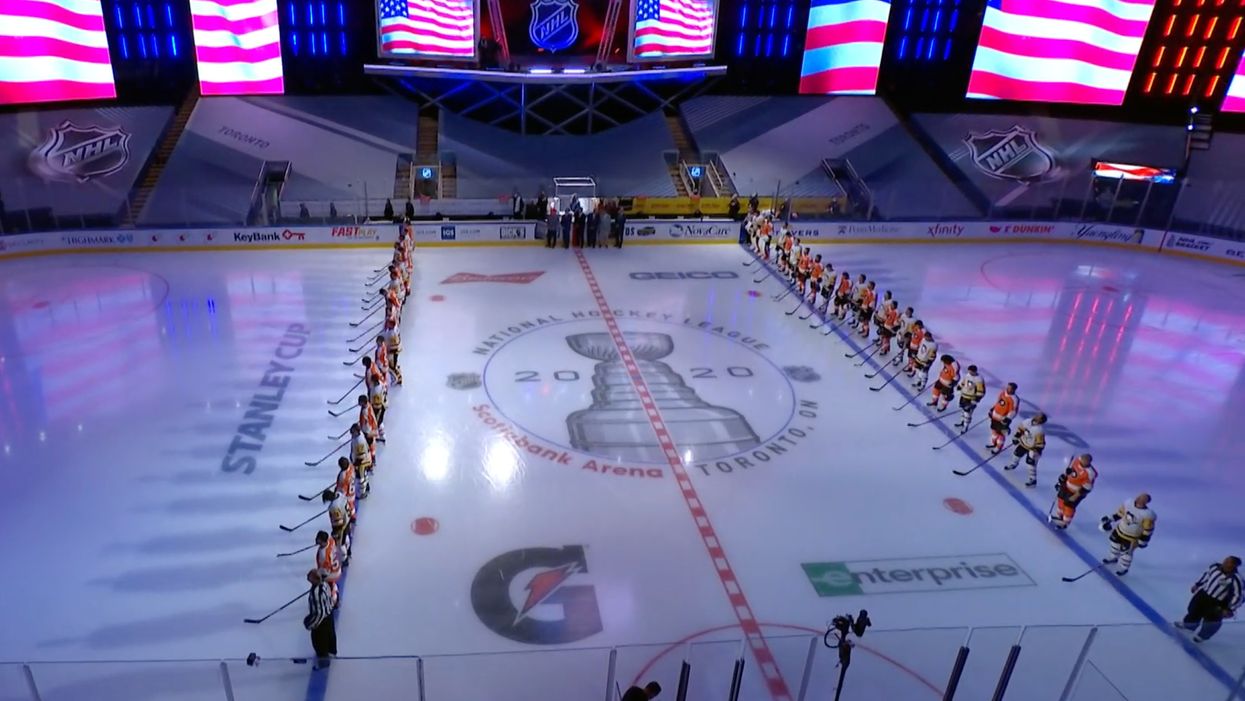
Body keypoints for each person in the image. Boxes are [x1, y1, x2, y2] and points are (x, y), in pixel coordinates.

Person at [1179, 557, 1243, 642]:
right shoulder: (1214, 567)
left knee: (1212, 620)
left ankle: (1203, 635)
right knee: (1193, 610)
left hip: (1218, 602)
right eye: (1225, 560)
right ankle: (1189, 625)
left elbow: (1238, 596)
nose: (1224, 562)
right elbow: (1206, 575)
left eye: (1228, 562)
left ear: (1234, 565)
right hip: (1203, 594)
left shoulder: (1236, 579)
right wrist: (1197, 585)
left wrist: (1229, 608)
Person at [1101, 493, 1156, 576]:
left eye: (1142, 498)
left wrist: (1143, 540)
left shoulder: (1147, 515)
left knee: (1126, 553)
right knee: (1114, 544)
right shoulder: (1128, 503)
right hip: (1119, 530)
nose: (1138, 498)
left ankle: (1124, 567)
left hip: (1131, 537)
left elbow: (1148, 529)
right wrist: (1110, 519)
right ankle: (1113, 556)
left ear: (1145, 502)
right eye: (1139, 496)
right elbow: (1120, 513)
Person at [1051, 453, 1096, 528]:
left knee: (1069, 506)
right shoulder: (1077, 461)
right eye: (1082, 458)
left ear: (1088, 462)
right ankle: (1060, 516)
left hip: (1075, 491)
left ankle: (1065, 522)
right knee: (1061, 499)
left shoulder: (1090, 473)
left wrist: (1075, 496)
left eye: (1085, 460)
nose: (1082, 460)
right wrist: (1063, 478)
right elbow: (1070, 470)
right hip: (1067, 486)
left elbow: (1087, 488)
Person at [305, 569, 337, 669]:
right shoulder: (325, 584)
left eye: (309, 578)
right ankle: (332, 651)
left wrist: (311, 623)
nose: (307, 579)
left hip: (321, 621)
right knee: (330, 635)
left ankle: (323, 663)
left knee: (319, 642)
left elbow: (319, 613)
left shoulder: (315, 594)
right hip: (329, 614)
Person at [1004, 412, 1047, 487]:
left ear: (1041, 421)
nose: (1036, 416)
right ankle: (1014, 464)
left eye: (1038, 416)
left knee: (1030, 463)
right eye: (1037, 414)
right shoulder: (1027, 421)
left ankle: (1033, 479)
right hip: (1024, 443)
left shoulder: (1039, 431)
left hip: (1033, 448)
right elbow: (1020, 429)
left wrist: (1036, 451)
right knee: (1016, 453)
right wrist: (1016, 437)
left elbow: (1041, 444)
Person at [986, 383, 1019, 454]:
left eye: (1010, 388)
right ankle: (994, 444)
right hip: (995, 416)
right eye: (1008, 387)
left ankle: (998, 447)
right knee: (994, 430)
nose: (1008, 389)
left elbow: (1013, 411)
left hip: (1003, 419)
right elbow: (998, 403)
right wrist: (992, 409)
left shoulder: (1014, 399)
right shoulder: (1003, 393)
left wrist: (1008, 418)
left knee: (1001, 433)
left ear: (1014, 390)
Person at [954, 365, 986, 429]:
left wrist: (976, 399)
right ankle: (962, 422)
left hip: (971, 398)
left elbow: (980, 391)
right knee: (963, 411)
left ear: (975, 371)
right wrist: (959, 386)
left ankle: (966, 426)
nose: (970, 373)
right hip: (964, 396)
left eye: (971, 372)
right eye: (969, 371)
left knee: (967, 413)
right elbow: (964, 382)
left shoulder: (979, 379)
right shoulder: (967, 375)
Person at [315, 530, 343, 603]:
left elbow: (325, 571)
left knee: (327, 586)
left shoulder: (323, 555)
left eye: (318, 539)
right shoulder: (330, 540)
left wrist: (319, 576)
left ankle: (334, 599)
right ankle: (334, 587)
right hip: (337, 566)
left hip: (332, 573)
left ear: (323, 541)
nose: (316, 540)